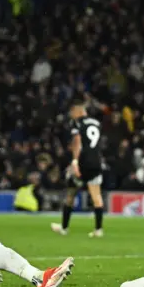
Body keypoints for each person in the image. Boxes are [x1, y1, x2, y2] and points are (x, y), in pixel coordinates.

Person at [51, 100, 105, 237]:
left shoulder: (77, 123)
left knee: (70, 194)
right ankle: (98, 230)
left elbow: (77, 141)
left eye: (72, 112)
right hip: (97, 162)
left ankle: (64, 227)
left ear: (78, 110)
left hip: (83, 163)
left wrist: (75, 161)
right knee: (97, 197)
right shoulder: (97, 123)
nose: (71, 115)